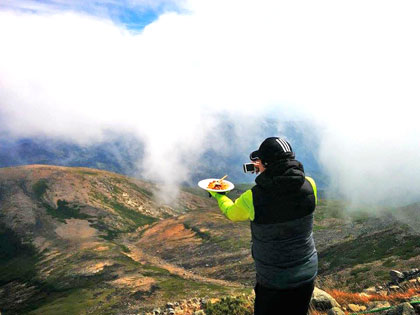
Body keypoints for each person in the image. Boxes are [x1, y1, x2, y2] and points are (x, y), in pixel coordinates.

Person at [209, 137, 318, 315]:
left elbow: (232, 213)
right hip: (307, 272)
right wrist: (267, 173)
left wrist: (219, 195)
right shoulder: (310, 185)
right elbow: (287, 197)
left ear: (266, 163)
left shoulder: (253, 197)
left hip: (274, 279)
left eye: (259, 161)